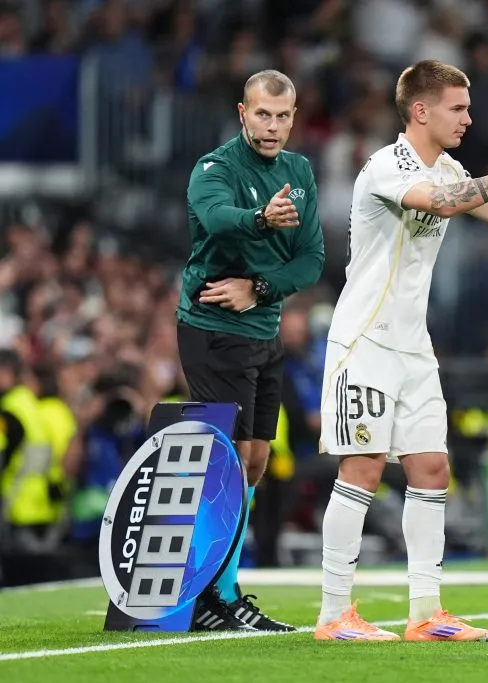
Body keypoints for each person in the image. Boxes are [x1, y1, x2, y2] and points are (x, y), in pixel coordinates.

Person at [314, 59, 488, 642]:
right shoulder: (385, 167)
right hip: (365, 339)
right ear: (421, 110)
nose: (469, 118)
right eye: (458, 108)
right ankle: (334, 612)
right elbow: (446, 203)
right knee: (363, 469)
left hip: (414, 345)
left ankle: (425, 613)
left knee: (432, 467)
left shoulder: (446, 165)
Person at [176, 69, 325, 631]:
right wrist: (261, 219)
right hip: (212, 330)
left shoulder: (300, 172)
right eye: (263, 114)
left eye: (283, 115)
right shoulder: (215, 168)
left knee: (257, 460)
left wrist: (260, 287)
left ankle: (219, 585)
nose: (273, 126)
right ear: (243, 112)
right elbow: (215, 219)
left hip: (264, 329)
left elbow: (312, 259)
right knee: (231, 463)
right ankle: (217, 594)